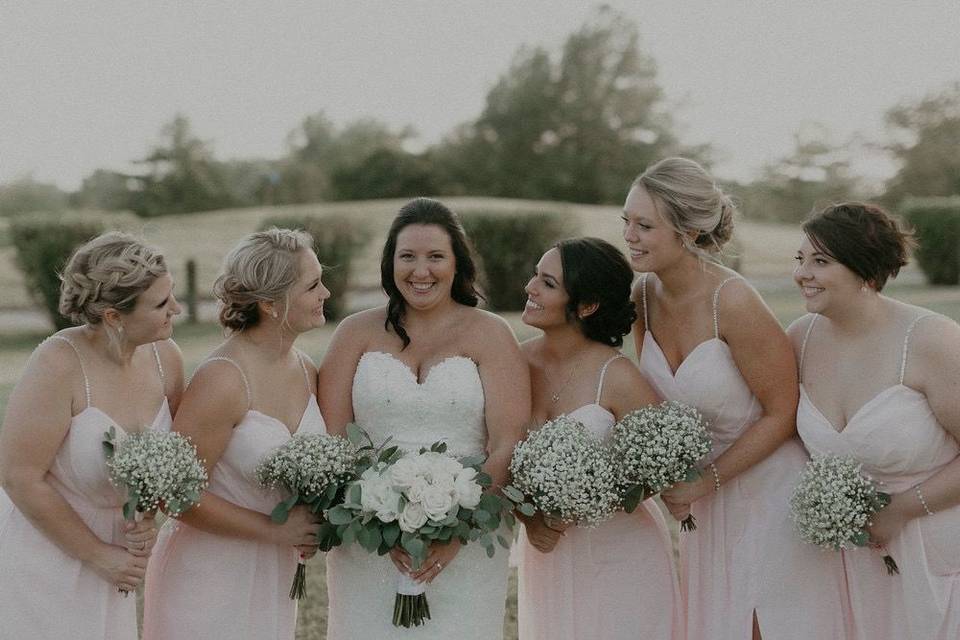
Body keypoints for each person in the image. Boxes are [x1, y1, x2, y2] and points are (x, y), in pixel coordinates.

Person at [626, 157, 846, 639]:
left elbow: (782, 412)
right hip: (705, 500)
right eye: (627, 222)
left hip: (768, 487)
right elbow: (655, 407)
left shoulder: (734, 300)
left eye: (644, 225)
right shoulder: (642, 295)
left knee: (769, 625)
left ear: (687, 231)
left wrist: (705, 481)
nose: (630, 235)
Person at [319, 197, 530, 640]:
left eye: (436, 256)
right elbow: (334, 438)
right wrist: (374, 515)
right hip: (366, 539)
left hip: (469, 538)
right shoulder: (354, 333)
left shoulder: (491, 333)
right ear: (389, 262)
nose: (421, 271)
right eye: (407, 256)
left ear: (457, 264)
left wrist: (459, 529)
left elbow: (508, 440)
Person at [143, 228, 329, 640]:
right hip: (209, 572)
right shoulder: (223, 379)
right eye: (313, 285)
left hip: (275, 571)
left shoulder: (306, 369)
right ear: (269, 303)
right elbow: (174, 496)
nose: (326, 293)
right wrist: (276, 530)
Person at [790, 202, 960, 640]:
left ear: (865, 271)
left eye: (820, 261)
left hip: (935, 550)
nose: (802, 274)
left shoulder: (930, 340)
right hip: (843, 563)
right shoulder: (799, 339)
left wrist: (900, 511)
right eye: (801, 259)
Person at [0, 232, 182, 638]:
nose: (177, 309)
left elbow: (163, 466)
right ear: (114, 316)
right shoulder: (58, 363)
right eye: (161, 303)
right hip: (44, 555)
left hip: (117, 560)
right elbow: (19, 477)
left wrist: (147, 515)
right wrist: (98, 555)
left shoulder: (166, 359)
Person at [515, 237, 682, 640]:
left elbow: (661, 472)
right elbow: (500, 453)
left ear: (587, 305)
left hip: (620, 553)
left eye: (548, 283)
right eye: (536, 276)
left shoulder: (618, 376)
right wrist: (529, 518)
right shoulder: (514, 362)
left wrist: (589, 501)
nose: (530, 288)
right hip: (547, 551)